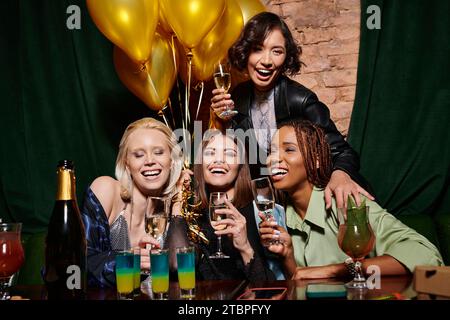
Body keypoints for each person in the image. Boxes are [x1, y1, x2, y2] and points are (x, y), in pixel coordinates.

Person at [210, 11, 372, 210]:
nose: (267, 61)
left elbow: (342, 152)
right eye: (258, 49)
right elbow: (239, 158)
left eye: (277, 51)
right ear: (246, 53)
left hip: (309, 201)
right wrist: (221, 121)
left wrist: (341, 175)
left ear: (286, 57)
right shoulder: (238, 96)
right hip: (267, 203)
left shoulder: (300, 99)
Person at [259, 120, 443, 280]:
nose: (273, 159)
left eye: (289, 149)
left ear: (315, 159)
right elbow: (301, 282)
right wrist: (288, 256)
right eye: (271, 151)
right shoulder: (280, 217)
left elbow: (426, 256)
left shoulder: (345, 201)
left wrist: (337, 270)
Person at [80, 117, 189, 287]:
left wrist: (178, 202)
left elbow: (180, 269)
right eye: (138, 155)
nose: (150, 161)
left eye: (159, 152)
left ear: (172, 160)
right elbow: (75, 265)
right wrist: (129, 262)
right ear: (127, 164)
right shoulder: (106, 190)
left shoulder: (176, 213)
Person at [193, 130, 280, 281]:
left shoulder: (259, 211)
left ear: (240, 165)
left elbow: (271, 286)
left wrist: (245, 247)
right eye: (210, 153)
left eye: (229, 154)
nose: (219, 160)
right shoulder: (192, 213)